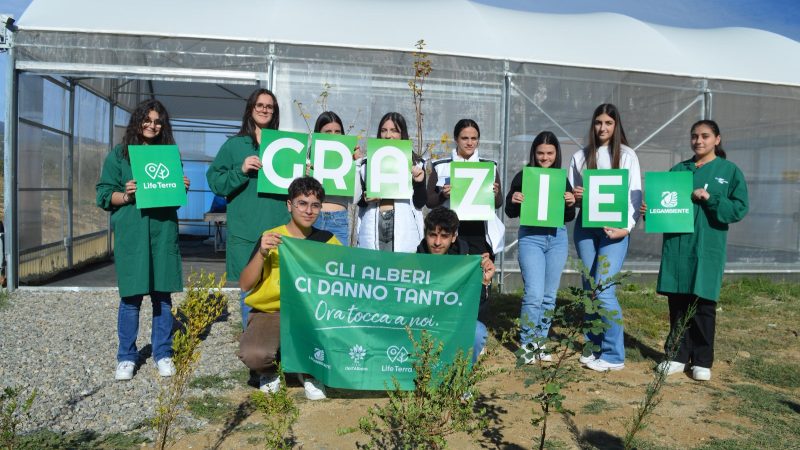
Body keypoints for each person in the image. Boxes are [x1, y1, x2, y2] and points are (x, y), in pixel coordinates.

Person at [96, 99, 190, 381]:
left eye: (158, 121)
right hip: (133, 233)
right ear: (138, 121)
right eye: (147, 120)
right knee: (131, 297)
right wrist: (125, 195)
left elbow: (174, 197)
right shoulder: (120, 155)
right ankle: (126, 356)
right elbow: (103, 194)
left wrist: (182, 186)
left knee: (162, 295)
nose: (152, 125)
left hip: (162, 232)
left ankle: (163, 353)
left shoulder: (169, 156)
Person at [648, 120, 748, 381]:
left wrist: (711, 198)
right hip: (679, 246)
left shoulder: (729, 171)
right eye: (694, 136)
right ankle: (677, 355)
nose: (699, 141)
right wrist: (652, 212)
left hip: (707, 247)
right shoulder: (679, 169)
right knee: (678, 301)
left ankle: (702, 360)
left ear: (717, 139)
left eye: (705, 136)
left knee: (704, 303)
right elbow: (664, 205)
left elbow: (738, 209)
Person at [237, 176, 340, 400]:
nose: (308, 210)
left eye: (315, 205)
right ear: (289, 205)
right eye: (302, 203)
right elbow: (245, 284)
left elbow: (342, 284)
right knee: (254, 354)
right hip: (272, 311)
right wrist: (262, 254)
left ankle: (310, 371)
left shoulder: (328, 241)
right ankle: (270, 370)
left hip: (313, 314)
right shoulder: (271, 237)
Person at [206, 88, 289, 328]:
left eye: (269, 106)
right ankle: (251, 347)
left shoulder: (284, 145)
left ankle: (275, 351)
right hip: (246, 229)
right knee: (249, 292)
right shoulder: (234, 146)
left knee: (279, 291)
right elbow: (215, 181)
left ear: (274, 112)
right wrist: (240, 170)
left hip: (278, 227)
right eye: (260, 105)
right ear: (251, 109)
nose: (264, 110)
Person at [568, 103, 642, 372]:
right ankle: (593, 344)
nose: (602, 128)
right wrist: (574, 199)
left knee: (603, 288)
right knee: (590, 289)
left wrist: (627, 228)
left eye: (608, 123)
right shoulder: (579, 157)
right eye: (598, 122)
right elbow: (573, 199)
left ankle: (613, 354)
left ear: (616, 125)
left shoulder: (627, 156)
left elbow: (635, 194)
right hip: (586, 229)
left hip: (615, 231)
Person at [504, 131, 576, 362]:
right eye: (540, 153)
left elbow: (568, 216)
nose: (545, 157)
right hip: (531, 238)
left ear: (557, 154)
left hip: (557, 238)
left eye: (550, 153)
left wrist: (571, 202)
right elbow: (510, 211)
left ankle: (540, 342)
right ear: (534, 154)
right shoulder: (524, 176)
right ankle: (526, 343)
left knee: (549, 296)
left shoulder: (562, 179)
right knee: (533, 294)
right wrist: (513, 199)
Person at [416, 207, 494, 363]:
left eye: (444, 236)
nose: (437, 242)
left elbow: (473, 310)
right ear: (425, 234)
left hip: (454, 323)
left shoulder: (466, 262)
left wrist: (483, 283)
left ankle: (460, 381)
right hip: (421, 323)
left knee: (478, 332)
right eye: (432, 235)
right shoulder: (415, 261)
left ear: (453, 237)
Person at [427, 119, 504, 259]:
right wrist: (443, 195)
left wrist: (495, 194)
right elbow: (429, 201)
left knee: (479, 276)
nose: (470, 143)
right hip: (449, 230)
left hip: (478, 231)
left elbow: (498, 203)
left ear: (478, 141)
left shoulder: (489, 166)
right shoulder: (441, 166)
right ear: (456, 139)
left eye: (474, 138)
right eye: (465, 138)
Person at [355, 112, 426, 252]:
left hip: (403, 226)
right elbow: (359, 201)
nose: (388, 135)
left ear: (402, 134)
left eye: (394, 130)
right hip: (373, 224)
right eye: (384, 130)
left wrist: (419, 182)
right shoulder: (366, 164)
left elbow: (420, 202)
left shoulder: (416, 163)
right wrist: (366, 198)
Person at [310, 111, 355, 245]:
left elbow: (356, 197)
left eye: (337, 131)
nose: (333, 135)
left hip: (338, 219)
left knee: (337, 262)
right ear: (318, 133)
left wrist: (357, 165)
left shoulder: (349, 156)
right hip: (312, 216)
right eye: (328, 132)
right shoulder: (308, 155)